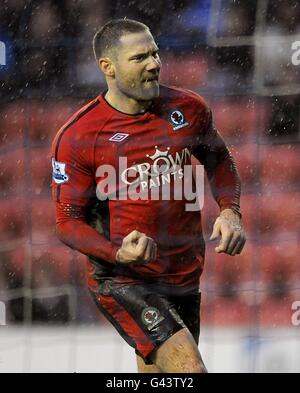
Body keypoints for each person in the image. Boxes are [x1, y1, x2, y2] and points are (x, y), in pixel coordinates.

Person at [51, 18, 246, 373]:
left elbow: (219, 159)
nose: (154, 64)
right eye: (140, 57)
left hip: (183, 272)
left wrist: (230, 210)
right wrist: (117, 253)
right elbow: (66, 223)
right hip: (123, 278)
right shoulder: (78, 136)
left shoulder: (189, 110)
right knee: (189, 371)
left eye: (155, 54)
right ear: (107, 67)